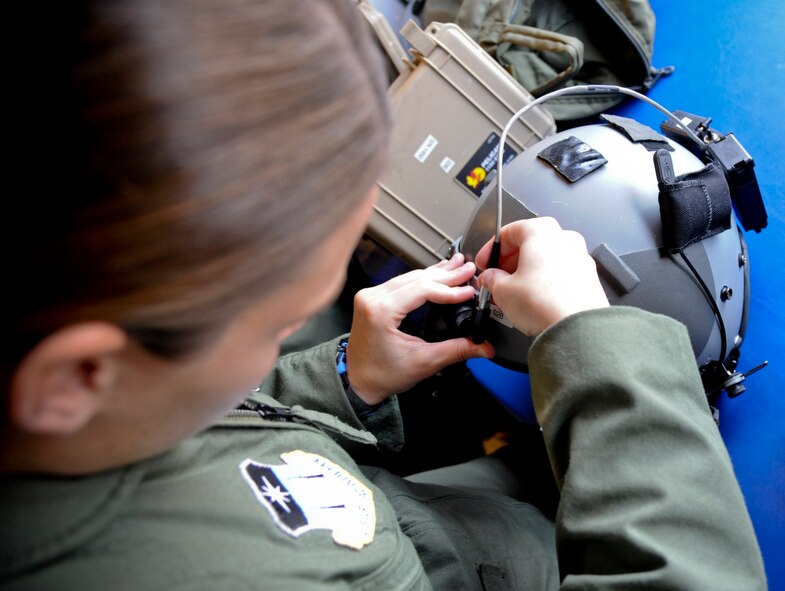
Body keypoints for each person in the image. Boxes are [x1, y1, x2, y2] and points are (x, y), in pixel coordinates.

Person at [0, 0, 766, 589]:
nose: (305, 319)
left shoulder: (70, 414)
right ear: (76, 375)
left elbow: (199, 436)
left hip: (434, 515)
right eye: (279, 319)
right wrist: (601, 350)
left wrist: (338, 378)